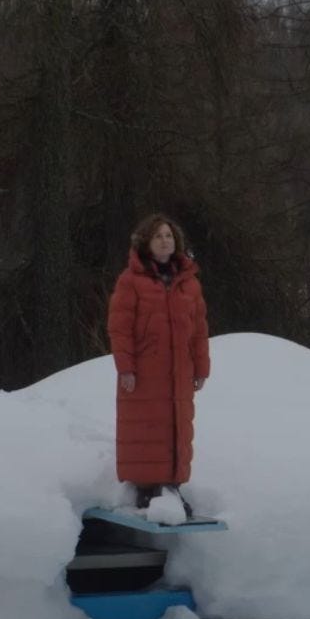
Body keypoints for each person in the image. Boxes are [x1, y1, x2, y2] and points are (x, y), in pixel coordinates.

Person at [106, 213, 211, 513]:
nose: (165, 241)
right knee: (145, 428)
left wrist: (201, 368)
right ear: (146, 243)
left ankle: (172, 487)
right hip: (144, 372)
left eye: (169, 236)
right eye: (158, 236)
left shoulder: (189, 284)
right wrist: (125, 367)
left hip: (179, 372)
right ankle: (146, 488)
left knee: (175, 427)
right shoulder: (131, 281)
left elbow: (200, 330)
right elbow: (120, 327)